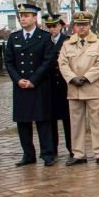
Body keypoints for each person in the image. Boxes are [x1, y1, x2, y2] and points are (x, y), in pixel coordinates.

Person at [4, 4, 57, 167]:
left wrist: (33, 79)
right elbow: (9, 61)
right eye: (21, 16)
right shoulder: (14, 38)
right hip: (20, 85)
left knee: (43, 120)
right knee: (23, 121)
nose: (23, 18)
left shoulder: (44, 37)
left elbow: (48, 61)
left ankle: (48, 154)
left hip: (39, 85)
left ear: (35, 18)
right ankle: (28, 154)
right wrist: (17, 79)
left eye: (27, 15)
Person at [58, 12, 99, 166]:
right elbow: (62, 63)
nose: (82, 27)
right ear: (75, 26)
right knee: (76, 123)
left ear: (90, 25)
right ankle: (78, 153)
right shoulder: (67, 44)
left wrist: (86, 77)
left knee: (97, 122)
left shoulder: (98, 43)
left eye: (85, 24)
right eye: (79, 25)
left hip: (92, 87)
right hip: (74, 89)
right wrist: (72, 78)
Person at [43, 14, 72, 159]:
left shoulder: (67, 40)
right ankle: (52, 149)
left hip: (64, 85)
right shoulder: (44, 40)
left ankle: (72, 148)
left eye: (54, 26)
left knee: (68, 118)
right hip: (48, 85)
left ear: (61, 26)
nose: (52, 29)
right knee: (50, 119)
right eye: (49, 26)